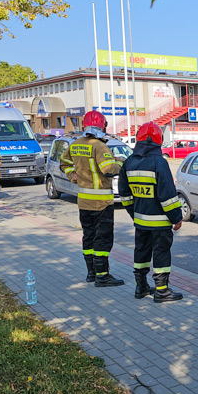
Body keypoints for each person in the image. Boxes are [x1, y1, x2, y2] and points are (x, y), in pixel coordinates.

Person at [118, 122, 184, 303]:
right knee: (161, 253)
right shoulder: (159, 162)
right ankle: (162, 291)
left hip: (141, 221)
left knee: (141, 252)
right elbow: (168, 196)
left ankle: (141, 287)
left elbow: (124, 194)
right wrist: (176, 217)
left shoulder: (129, 162)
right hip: (160, 222)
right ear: (158, 140)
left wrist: (135, 213)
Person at [60, 110, 124, 287]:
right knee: (103, 239)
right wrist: (121, 162)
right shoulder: (99, 146)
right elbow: (108, 169)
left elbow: (64, 162)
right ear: (103, 126)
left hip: (84, 201)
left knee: (88, 237)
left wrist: (72, 174)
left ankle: (91, 273)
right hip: (101, 202)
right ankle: (103, 276)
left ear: (84, 126)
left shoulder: (76, 144)